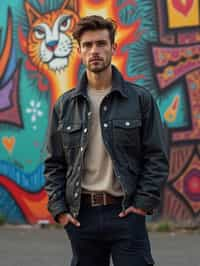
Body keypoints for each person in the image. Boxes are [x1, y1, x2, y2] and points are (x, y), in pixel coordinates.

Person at [44, 15, 169, 266]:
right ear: (79, 51)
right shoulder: (65, 105)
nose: (95, 51)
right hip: (82, 217)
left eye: (101, 44)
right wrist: (59, 211)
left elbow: (156, 156)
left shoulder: (139, 100)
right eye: (88, 45)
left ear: (113, 48)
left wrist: (142, 205)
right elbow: (54, 163)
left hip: (125, 213)